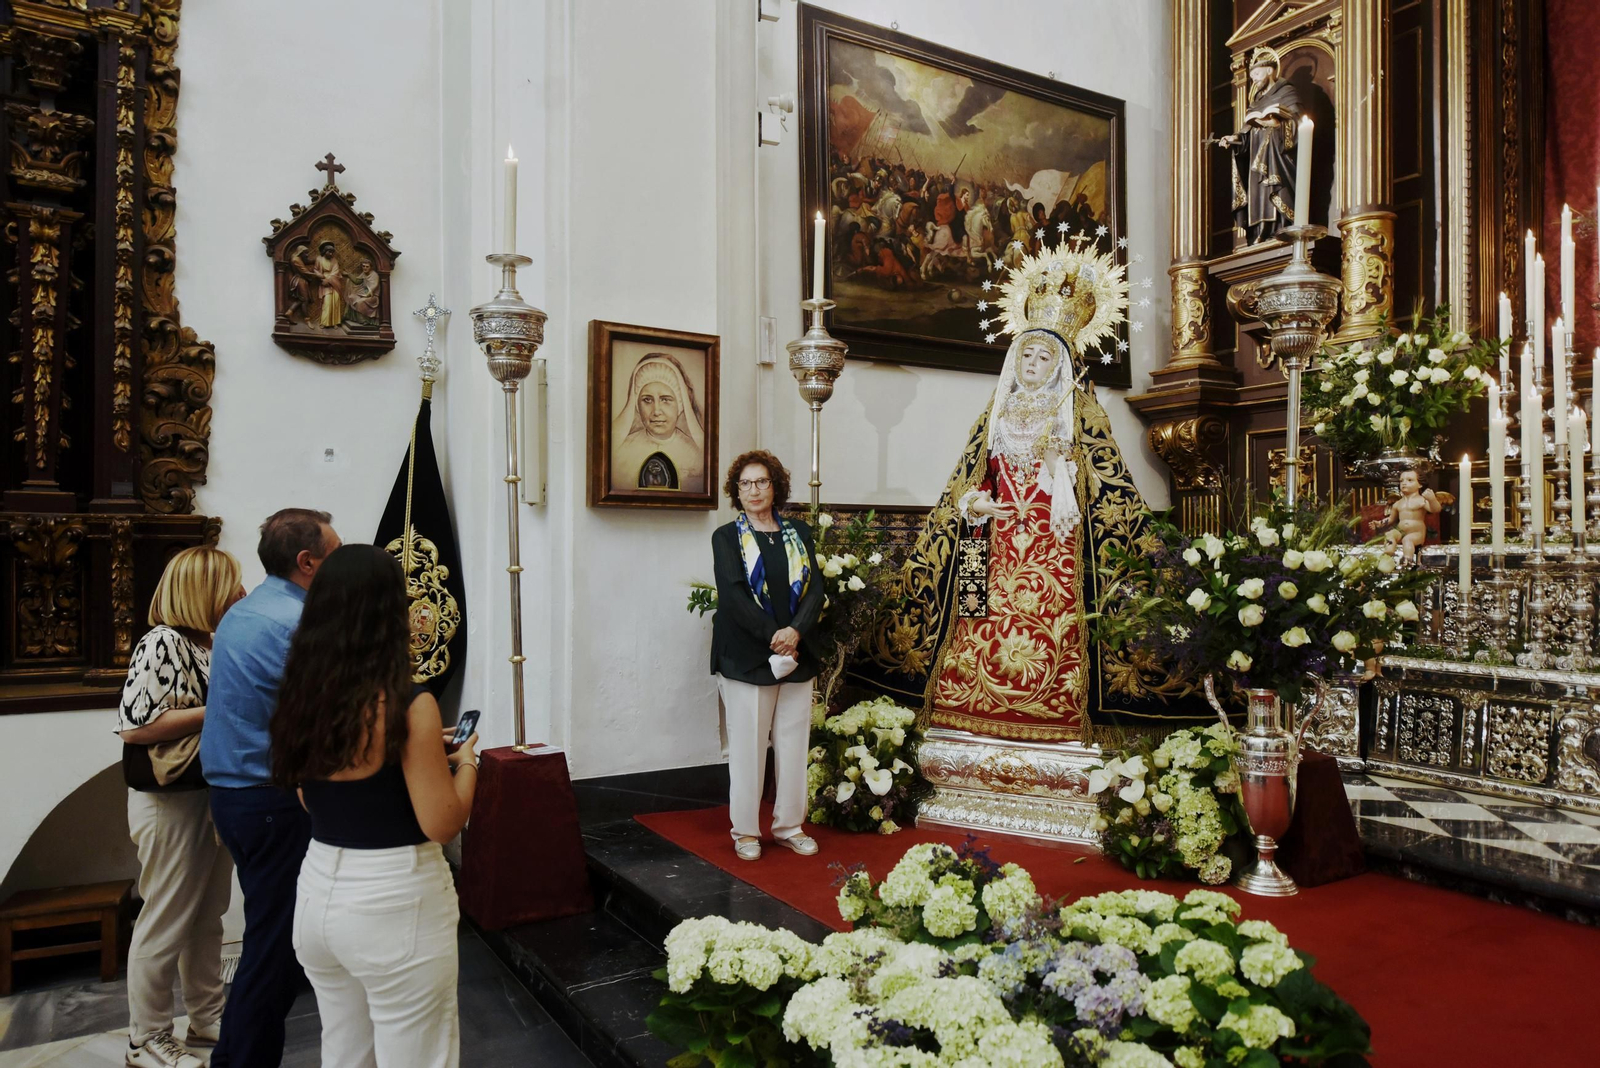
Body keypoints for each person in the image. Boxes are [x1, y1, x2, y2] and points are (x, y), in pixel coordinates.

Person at [854, 239, 1202, 739]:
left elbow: (1110, 489)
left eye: (1044, 355)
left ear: (1060, 363)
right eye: (1026, 353)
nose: (1033, 362)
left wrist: (1065, 471)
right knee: (974, 612)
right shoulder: (992, 417)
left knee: (1059, 629)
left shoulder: (1082, 415)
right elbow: (969, 481)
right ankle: (972, 713)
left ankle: (1056, 716)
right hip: (988, 543)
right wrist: (973, 502)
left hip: (1055, 543)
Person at [271, 545, 478, 1068]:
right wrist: (470, 764)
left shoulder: (304, 693)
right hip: (392, 900)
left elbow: (305, 793)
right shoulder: (410, 703)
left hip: (318, 890)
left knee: (344, 1052)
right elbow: (442, 822)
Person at [201, 508, 341, 1068]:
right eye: (336, 551)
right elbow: (328, 715)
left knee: (270, 940)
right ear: (308, 563)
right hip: (270, 799)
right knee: (273, 951)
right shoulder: (296, 623)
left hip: (237, 795)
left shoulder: (246, 610)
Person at [118, 547, 245, 1068]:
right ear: (205, 590)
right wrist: (219, 708)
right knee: (165, 918)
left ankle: (205, 1016)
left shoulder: (208, 643)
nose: (240, 595)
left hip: (205, 793)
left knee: (207, 916)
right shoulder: (162, 642)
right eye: (232, 586)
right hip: (169, 803)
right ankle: (145, 1037)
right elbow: (136, 726)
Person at [709, 451, 824, 861]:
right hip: (746, 656)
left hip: (797, 653)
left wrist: (795, 632)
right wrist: (774, 635)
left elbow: (816, 590)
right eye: (745, 484)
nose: (753, 490)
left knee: (794, 744)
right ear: (736, 492)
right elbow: (734, 595)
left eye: (761, 482)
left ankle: (790, 826)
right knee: (749, 746)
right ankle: (745, 832)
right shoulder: (725, 537)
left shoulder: (800, 533)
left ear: (775, 486)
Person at [1216, 46, 1304, 244]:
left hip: (1277, 157)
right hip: (1257, 160)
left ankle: (1280, 227)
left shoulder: (1287, 92)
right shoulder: (1255, 102)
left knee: (1274, 188)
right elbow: (1246, 135)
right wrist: (1235, 139)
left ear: (1270, 70)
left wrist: (1277, 125)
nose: (1253, 79)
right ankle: (1261, 232)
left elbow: (1299, 124)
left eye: (1256, 73)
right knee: (1259, 193)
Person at [610, 353, 707, 494]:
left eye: (665, 400)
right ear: (637, 405)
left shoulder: (696, 456)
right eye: (647, 400)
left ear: (680, 405)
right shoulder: (620, 453)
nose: (656, 411)